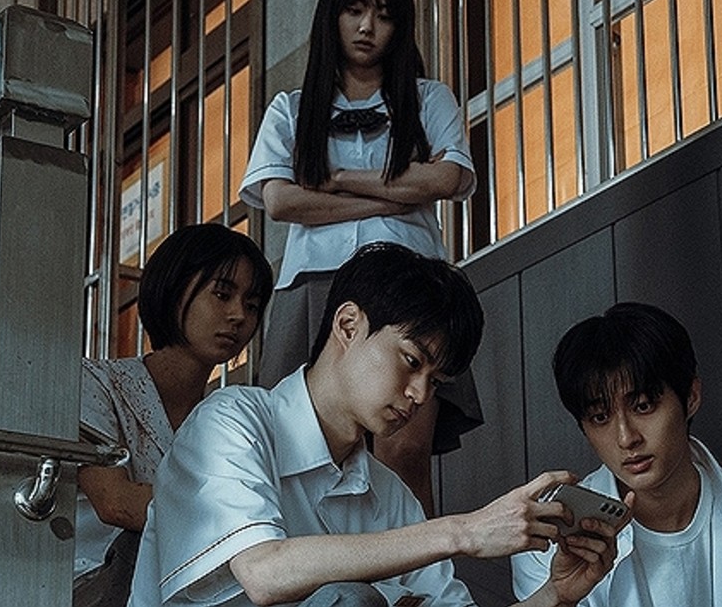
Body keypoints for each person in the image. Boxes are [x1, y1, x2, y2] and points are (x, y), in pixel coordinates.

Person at [129, 243, 618, 607]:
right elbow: (263, 572)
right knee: (349, 599)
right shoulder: (233, 420)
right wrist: (464, 532)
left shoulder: (388, 495)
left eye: (435, 381)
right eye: (411, 361)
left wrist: (554, 596)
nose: (420, 395)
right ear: (348, 325)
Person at [238, 0, 480, 515]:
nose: (368, 26)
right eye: (354, 10)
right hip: (313, 284)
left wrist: (340, 178)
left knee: (405, 453)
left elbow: (448, 177)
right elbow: (279, 200)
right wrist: (395, 195)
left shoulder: (429, 98)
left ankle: (417, 567)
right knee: (296, 448)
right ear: (332, 17)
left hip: (411, 288)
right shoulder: (291, 108)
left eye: (384, 15)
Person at [511, 302, 722, 606]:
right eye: (600, 417)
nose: (626, 438)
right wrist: (559, 600)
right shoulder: (551, 542)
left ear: (691, 397)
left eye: (643, 407)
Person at [73, 223, 273, 607]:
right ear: (174, 288)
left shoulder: (228, 421)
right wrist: (246, 523)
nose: (238, 315)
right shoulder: (96, 382)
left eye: (251, 305)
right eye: (222, 294)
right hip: (94, 583)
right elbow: (116, 502)